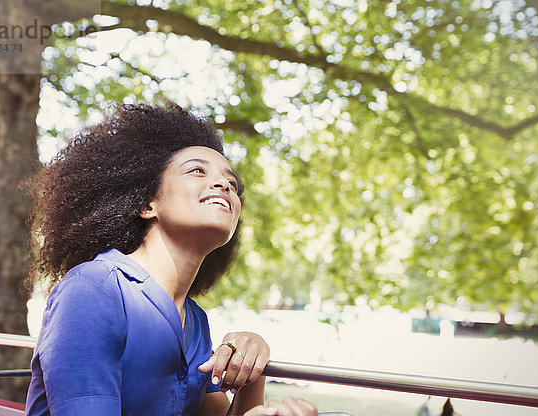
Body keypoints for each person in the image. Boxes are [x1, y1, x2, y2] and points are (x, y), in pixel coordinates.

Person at [23, 102, 319, 416]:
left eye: (232, 184)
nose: (223, 186)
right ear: (147, 203)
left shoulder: (196, 321)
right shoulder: (93, 290)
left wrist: (250, 367)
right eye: (197, 170)